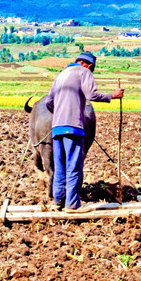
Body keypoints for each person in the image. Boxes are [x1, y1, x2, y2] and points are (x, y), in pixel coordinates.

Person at [45, 52, 124, 213]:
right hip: (73, 126)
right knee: (74, 165)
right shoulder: (84, 72)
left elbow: (49, 102)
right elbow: (92, 95)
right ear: (88, 65)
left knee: (60, 165)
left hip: (57, 127)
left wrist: (61, 113)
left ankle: (58, 201)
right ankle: (72, 205)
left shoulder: (60, 75)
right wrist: (112, 96)